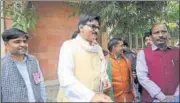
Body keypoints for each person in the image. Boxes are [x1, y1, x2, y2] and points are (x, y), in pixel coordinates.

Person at [56, 14, 112, 102]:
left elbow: (102, 70)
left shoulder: (98, 49)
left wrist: (105, 80)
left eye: (98, 28)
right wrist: (91, 96)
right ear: (81, 28)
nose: (96, 30)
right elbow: (66, 78)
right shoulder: (69, 46)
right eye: (93, 27)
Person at [1, 28, 47, 102]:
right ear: (6, 45)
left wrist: (44, 100)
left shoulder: (33, 61)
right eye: (17, 42)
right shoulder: (2, 66)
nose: (22, 44)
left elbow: (39, 82)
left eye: (24, 41)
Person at [136, 23, 179, 102]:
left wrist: (176, 95)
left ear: (168, 34)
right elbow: (142, 78)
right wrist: (162, 97)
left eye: (164, 32)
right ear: (151, 36)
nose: (161, 35)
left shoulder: (177, 51)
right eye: (156, 33)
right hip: (152, 100)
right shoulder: (142, 53)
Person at [106, 37, 136, 102]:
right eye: (121, 46)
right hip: (112, 99)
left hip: (128, 98)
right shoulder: (105, 61)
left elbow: (130, 80)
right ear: (114, 47)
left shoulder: (126, 60)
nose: (124, 48)